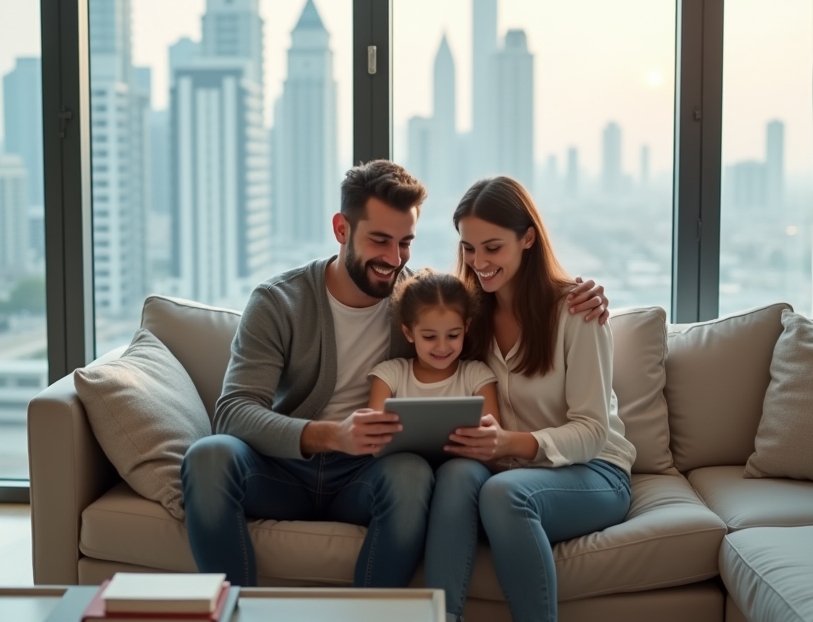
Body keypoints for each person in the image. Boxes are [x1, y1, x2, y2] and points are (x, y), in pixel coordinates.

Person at [180, 160, 611, 591]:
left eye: (405, 242)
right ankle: (234, 617)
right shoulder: (279, 302)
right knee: (208, 455)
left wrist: (583, 294)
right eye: (380, 240)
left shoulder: (416, 302)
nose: (393, 258)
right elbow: (233, 413)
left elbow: (496, 304)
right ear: (341, 229)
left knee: (411, 475)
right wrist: (331, 435)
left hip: (366, 476)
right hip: (284, 469)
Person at [427, 176, 637, 622]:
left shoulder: (577, 312)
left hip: (594, 472)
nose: (479, 261)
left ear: (527, 238)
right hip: (506, 466)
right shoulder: (467, 315)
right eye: (468, 248)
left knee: (504, 494)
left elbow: (591, 430)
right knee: (455, 477)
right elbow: (413, 310)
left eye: (492, 247)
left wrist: (510, 444)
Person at [366, 269, 500, 425]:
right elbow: (374, 436)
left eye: (453, 335)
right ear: (408, 333)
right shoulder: (389, 376)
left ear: (466, 327)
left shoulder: (477, 376)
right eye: (429, 337)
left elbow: (493, 438)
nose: (442, 347)